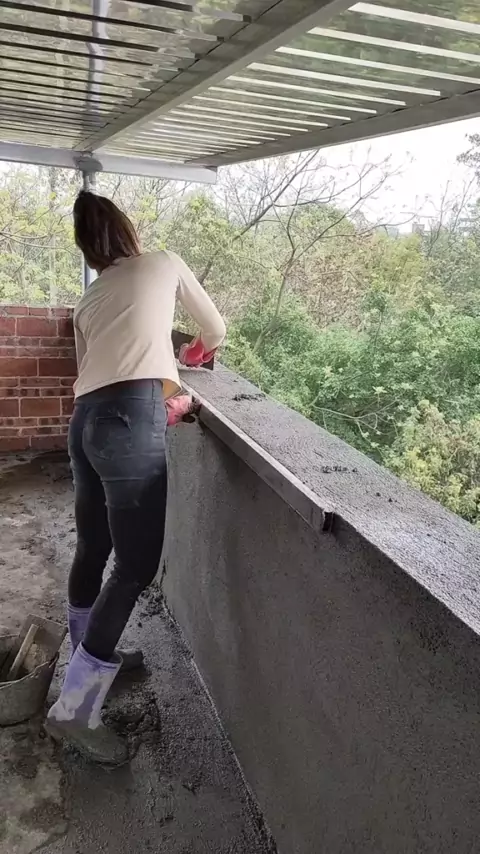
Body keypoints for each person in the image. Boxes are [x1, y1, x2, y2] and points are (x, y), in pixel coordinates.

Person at [45, 190, 226, 764]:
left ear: (87, 249)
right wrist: (188, 359)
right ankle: (75, 710)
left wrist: (155, 408)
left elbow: (99, 377)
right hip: (127, 422)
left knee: (93, 548)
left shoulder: (88, 300)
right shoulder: (163, 263)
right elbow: (214, 331)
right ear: (128, 232)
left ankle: (89, 652)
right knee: (136, 567)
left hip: (85, 423)